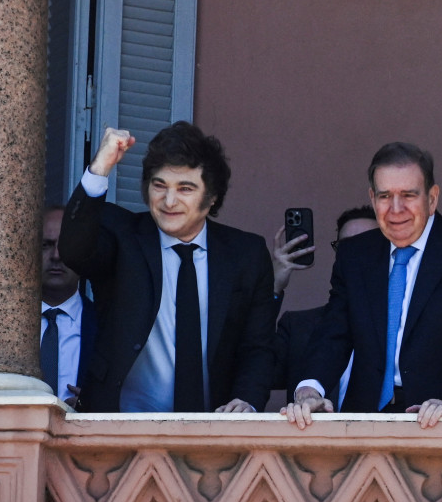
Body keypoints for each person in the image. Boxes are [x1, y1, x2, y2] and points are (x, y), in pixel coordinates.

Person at [283, 142, 442, 429]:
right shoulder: (355, 255)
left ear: (432, 197)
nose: (395, 209)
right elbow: (334, 333)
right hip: (364, 421)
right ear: (372, 197)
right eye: (384, 196)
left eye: (408, 195)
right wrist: (310, 389)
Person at [58, 123, 279, 413]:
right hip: (119, 427)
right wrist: (101, 166)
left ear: (211, 198)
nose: (169, 201)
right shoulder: (123, 235)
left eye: (185, 188)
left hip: (214, 431)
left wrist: (247, 400)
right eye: (159, 185)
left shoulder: (245, 254)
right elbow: (73, 250)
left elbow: (257, 346)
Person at [271, 205, 378, 405]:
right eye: (347, 246)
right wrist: (273, 288)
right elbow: (254, 371)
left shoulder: (403, 330)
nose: (357, 255)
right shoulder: (298, 327)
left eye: (369, 244)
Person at [39, 206, 96, 406]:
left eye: (66, 244)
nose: (56, 256)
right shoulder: (2, 324)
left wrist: (95, 403)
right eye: (46, 244)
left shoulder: (108, 328)